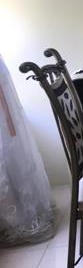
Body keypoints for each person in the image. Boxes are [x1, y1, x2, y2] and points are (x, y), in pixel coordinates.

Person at [0, 54, 54, 246]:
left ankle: (21, 218)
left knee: (13, 165)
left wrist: (8, 119)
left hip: (5, 120)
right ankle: (20, 216)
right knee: (13, 167)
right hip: (7, 118)